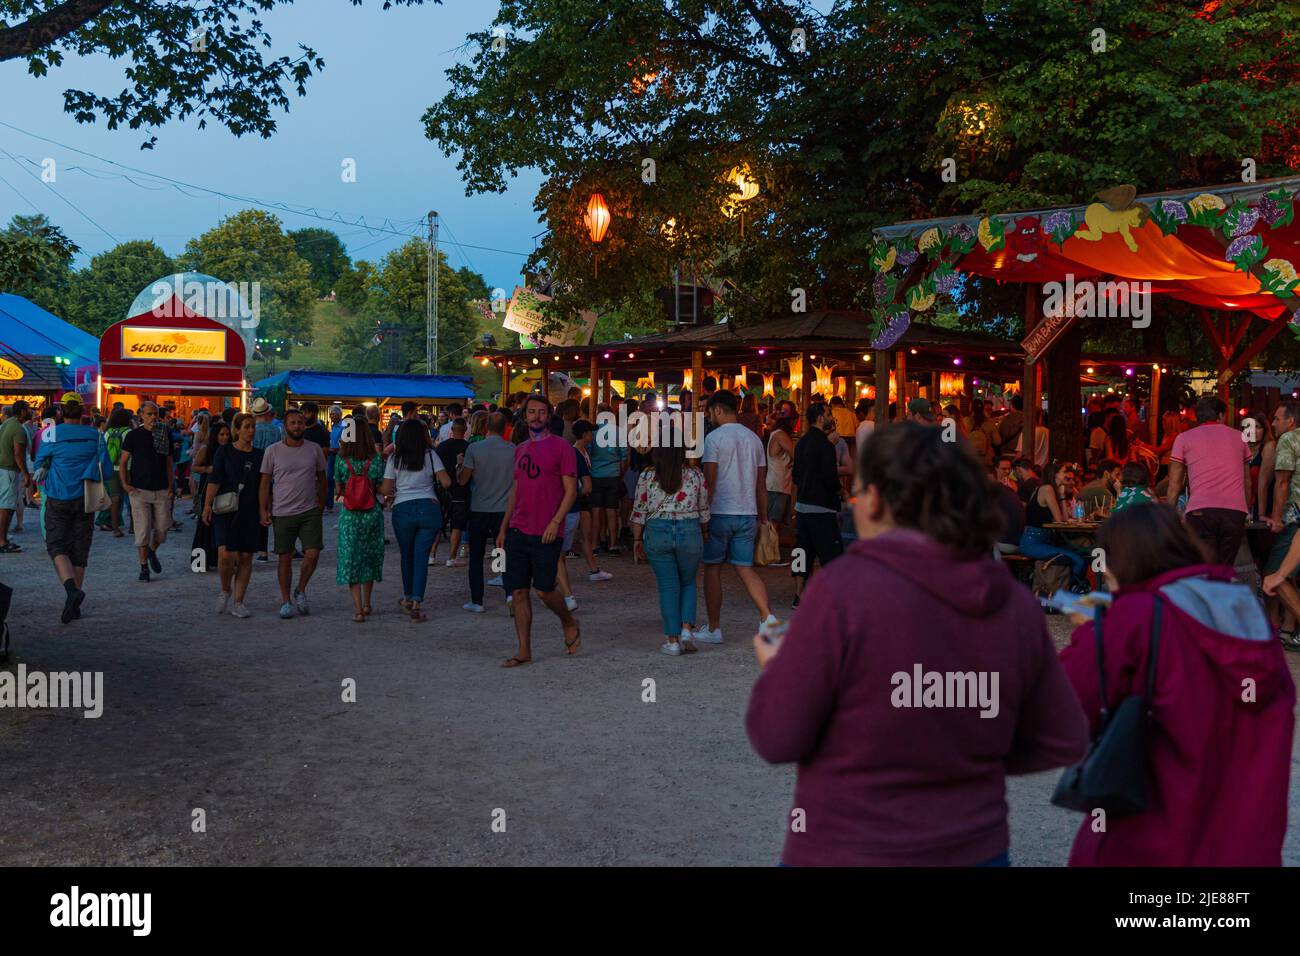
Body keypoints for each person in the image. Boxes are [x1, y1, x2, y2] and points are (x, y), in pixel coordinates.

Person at [747, 422, 1088, 866]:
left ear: (877, 500)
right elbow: (1060, 736)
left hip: (847, 846)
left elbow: (777, 737)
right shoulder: (1014, 604)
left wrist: (778, 670)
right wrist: (969, 755)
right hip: (972, 847)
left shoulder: (841, 590)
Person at [1061, 504, 1293, 865]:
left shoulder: (1135, 616)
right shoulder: (1247, 613)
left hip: (1151, 844)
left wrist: (1094, 629)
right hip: (1245, 846)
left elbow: (1064, 710)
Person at [494, 395, 580, 666]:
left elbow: (571, 491)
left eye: (541, 412)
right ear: (524, 415)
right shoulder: (519, 449)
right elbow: (516, 490)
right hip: (519, 529)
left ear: (549, 415)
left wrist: (556, 522)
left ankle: (568, 620)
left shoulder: (562, 448)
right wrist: (504, 526)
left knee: (544, 590)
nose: (536, 417)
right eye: (531, 412)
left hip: (547, 530)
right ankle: (523, 649)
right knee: (518, 591)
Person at [699, 389, 775, 643]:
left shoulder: (714, 439)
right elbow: (761, 485)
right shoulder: (754, 439)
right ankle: (767, 617)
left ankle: (714, 628)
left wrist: (703, 514)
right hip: (748, 511)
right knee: (745, 568)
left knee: (712, 568)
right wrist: (763, 517)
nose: (709, 416)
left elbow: (710, 480)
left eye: (710, 412)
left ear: (718, 410)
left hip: (720, 511)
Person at [32, 394, 115, 624]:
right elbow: (106, 471)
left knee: (57, 546)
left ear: (61, 412)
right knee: (80, 549)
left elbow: (39, 464)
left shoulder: (51, 433)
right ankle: (74, 603)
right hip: (85, 499)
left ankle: (71, 592)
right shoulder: (96, 436)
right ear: (83, 411)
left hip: (58, 496)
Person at [631, 444, 710, 655]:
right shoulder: (695, 475)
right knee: (688, 582)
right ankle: (686, 629)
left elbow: (639, 510)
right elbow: (703, 509)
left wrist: (637, 539)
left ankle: (672, 640)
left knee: (667, 586)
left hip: (658, 531)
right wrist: (704, 533)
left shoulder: (647, 475)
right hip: (690, 530)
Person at [259, 408, 327, 619]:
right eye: (293, 423)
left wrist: (322, 503)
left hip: (309, 510)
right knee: (284, 557)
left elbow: (322, 479)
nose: (297, 426)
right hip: (282, 511)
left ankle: (301, 589)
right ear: (286, 426)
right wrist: (263, 509)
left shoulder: (314, 449)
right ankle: (286, 600)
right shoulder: (273, 451)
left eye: (300, 422)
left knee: (313, 553)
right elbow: (264, 482)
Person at [1166, 396, 1250, 567]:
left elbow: (1174, 484)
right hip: (1234, 513)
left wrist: (1168, 515)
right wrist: (1245, 510)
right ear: (1221, 415)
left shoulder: (1183, 438)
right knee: (1225, 569)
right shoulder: (1240, 437)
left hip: (1200, 512)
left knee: (1205, 568)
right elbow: (1247, 481)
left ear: (1198, 417)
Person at [381, 419, 450, 622]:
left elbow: (386, 489)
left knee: (407, 556)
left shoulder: (395, 458)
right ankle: (417, 603)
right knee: (421, 557)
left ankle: (407, 597)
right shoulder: (430, 456)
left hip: (403, 509)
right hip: (429, 508)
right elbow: (446, 481)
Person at [204, 413, 264, 618]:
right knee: (225, 555)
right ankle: (225, 589)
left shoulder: (260, 455)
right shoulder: (224, 451)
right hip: (225, 508)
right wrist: (206, 506)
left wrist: (265, 509)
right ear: (236, 429)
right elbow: (215, 479)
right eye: (246, 427)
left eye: (253, 426)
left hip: (250, 509)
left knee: (246, 556)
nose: (251, 431)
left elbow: (264, 485)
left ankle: (239, 601)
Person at [459, 411, 518, 612]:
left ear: (485, 427)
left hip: (479, 508)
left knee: (476, 556)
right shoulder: (514, 450)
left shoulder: (474, 449)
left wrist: (459, 464)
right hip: (504, 510)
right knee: (502, 553)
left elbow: (463, 479)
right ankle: (509, 593)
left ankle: (477, 600)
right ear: (504, 428)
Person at [792, 403, 845, 606]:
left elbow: (796, 475)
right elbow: (830, 478)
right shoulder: (826, 446)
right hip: (822, 507)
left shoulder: (802, 442)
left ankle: (799, 594)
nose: (832, 417)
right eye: (829, 414)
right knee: (831, 553)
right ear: (821, 418)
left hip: (802, 506)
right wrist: (841, 491)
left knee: (801, 551)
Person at [120, 401, 174, 582]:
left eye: (155, 414)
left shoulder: (164, 433)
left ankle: (151, 551)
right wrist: (125, 484)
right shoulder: (133, 436)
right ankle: (144, 567)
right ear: (141, 415)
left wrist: (171, 485)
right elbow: (123, 461)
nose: (153, 417)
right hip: (140, 490)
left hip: (160, 489)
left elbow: (168, 461)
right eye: (149, 414)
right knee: (142, 532)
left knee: (162, 529)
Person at [1017, 461, 1089, 589]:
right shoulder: (1047, 489)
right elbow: (1059, 520)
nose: (1068, 475)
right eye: (1064, 472)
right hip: (1032, 542)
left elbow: (1063, 520)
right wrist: (1061, 497)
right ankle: (1066, 591)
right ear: (1054, 474)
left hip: (1044, 541)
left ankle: (1067, 589)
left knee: (1082, 554)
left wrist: (1061, 495)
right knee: (1078, 560)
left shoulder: (1053, 490)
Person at [569, 420, 613, 583]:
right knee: (578, 536)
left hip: (581, 498)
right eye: (590, 433)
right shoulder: (576, 453)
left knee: (584, 536)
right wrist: (578, 494)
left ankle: (594, 569)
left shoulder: (582, 451)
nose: (593, 435)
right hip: (580, 498)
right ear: (585, 434)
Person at [588, 406, 628, 555]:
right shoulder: (619, 431)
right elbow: (624, 457)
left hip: (596, 475)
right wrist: (620, 473)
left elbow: (589, 453)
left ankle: (595, 544)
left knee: (596, 511)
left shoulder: (592, 432)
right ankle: (612, 544)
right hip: (613, 474)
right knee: (612, 511)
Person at [191, 420, 229, 576]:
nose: (225, 437)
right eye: (222, 434)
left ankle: (217, 560)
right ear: (215, 436)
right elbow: (194, 467)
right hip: (208, 490)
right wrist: (208, 469)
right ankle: (199, 563)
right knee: (204, 527)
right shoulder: (206, 450)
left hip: (225, 491)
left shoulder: (230, 450)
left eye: (227, 434)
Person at [438, 418, 471, 567]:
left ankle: (431, 555)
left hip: (442, 488)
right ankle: (452, 557)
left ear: (452, 430)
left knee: (439, 523)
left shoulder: (442, 446)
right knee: (457, 525)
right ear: (465, 431)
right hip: (461, 490)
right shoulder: (469, 447)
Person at [96, 407, 132, 537]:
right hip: (127, 468)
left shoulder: (107, 432)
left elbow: (102, 451)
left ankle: (116, 528)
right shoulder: (128, 432)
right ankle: (133, 527)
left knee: (114, 498)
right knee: (132, 497)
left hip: (111, 469)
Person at [0, 400, 30, 552]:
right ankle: (2, 541)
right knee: (7, 506)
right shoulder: (18, 429)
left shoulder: (7, 423)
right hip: (9, 470)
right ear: (23, 411)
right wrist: (26, 475)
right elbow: (18, 454)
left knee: (3, 505)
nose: (31, 412)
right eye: (29, 409)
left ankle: (2, 538)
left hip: (2, 468)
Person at [764, 407, 795, 551]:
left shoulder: (775, 433)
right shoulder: (780, 435)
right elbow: (796, 454)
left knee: (776, 521)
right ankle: (769, 554)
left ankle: (771, 553)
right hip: (778, 484)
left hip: (779, 483)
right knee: (774, 521)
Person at [324, 404, 343, 512]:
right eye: (330, 414)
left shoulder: (344, 425)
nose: (331, 416)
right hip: (332, 455)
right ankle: (329, 504)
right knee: (329, 479)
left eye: (333, 414)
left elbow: (343, 443)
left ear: (339, 415)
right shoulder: (333, 426)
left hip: (340, 455)